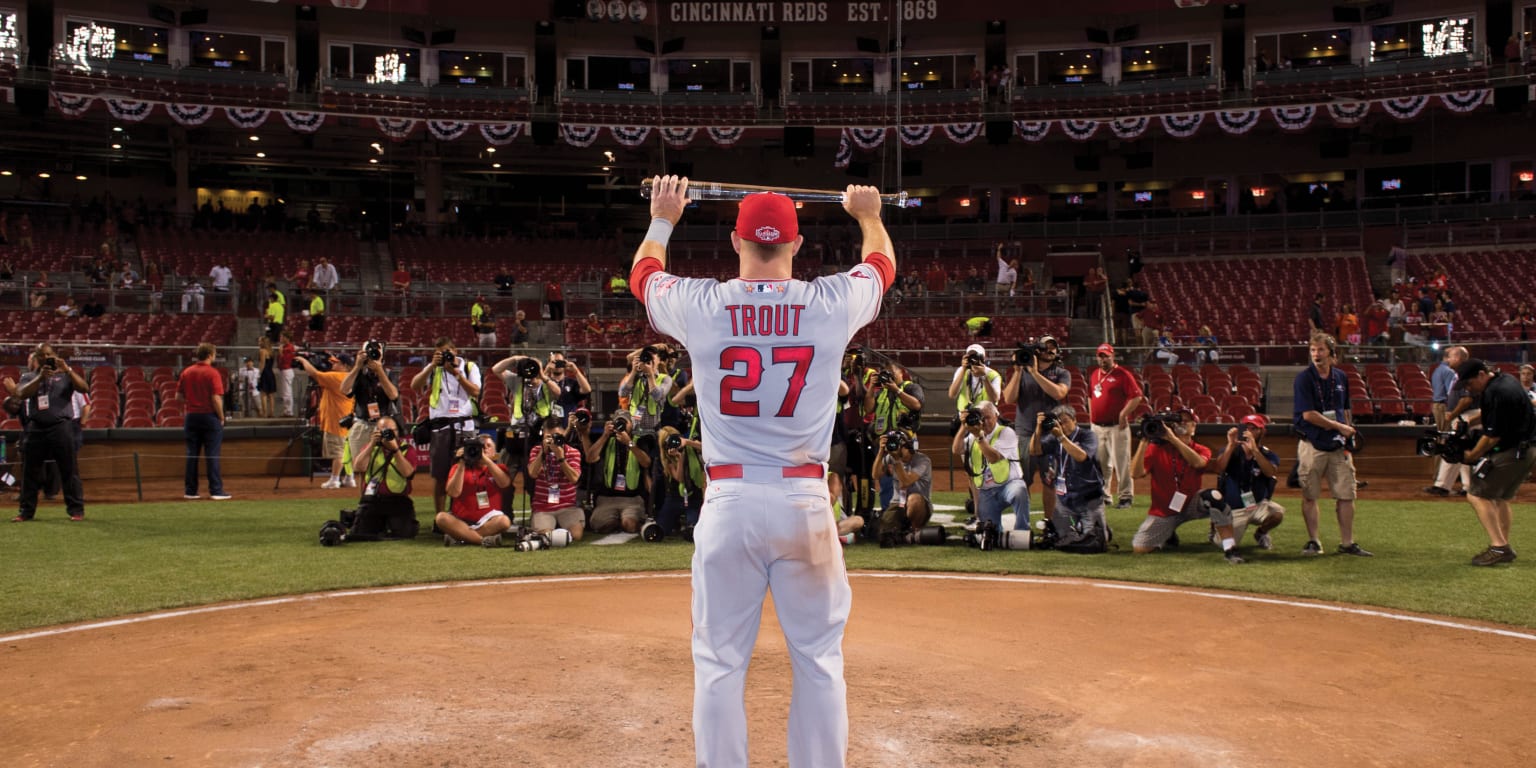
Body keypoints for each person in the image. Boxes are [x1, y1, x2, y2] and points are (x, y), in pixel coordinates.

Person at [631, 176, 893, 767]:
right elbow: (880, 264)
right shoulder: (828, 302)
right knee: (819, 661)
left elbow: (642, 277)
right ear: (796, 245)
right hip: (804, 498)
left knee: (720, 663)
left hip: (729, 499)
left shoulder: (704, 304)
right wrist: (867, 214)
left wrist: (664, 216)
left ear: (735, 241)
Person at [1129, 409, 1245, 564]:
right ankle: (1169, 534)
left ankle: (1230, 549)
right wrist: (1144, 441)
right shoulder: (1156, 448)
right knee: (1140, 548)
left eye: (1186, 421)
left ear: (1194, 427)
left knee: (1214, 497)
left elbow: (1198, 463)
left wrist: (1172, 438)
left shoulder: (1201, 449)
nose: (1182, 424)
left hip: (1191, 503)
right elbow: (1136, 474)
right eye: (1179, 421)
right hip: (1164, 509)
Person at [1452, 359, 1536, 566]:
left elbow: (1492, 438)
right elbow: (1496, 413)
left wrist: (1470, 456)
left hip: (1511, 451)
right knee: (1500, 498)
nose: (1469, 389)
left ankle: (1499, 546)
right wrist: (1470, 420)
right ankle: (1503, 544)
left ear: (1481, 374)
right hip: (1527, 450)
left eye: (1470, 384)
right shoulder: (1505, 380)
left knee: (1476, 494)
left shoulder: (1497, 392)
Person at [1294, 333, 1371, 557]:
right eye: (1313, 350)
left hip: (1338, 445)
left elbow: (1345, 409)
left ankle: (1347, 543)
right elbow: (1308, 415)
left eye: (1320, 350)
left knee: (1347, 494)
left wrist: (1348, 432)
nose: (1316, 354)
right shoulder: (1304, 379)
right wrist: (1340, 427)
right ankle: (1314, 541)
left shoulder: (1341, 377)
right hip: (1312, 444)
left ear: (1331, 352)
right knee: (1310, 495)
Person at [11, 345, 89, 521]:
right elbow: (22, 394)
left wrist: (68, 369)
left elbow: (84, 388)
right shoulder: (29, 376)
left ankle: (76, 510)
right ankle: (26, 512)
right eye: (42, 355)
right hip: (36, 427)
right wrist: (40, 377)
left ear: (55, 356)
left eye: (49, 354)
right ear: (37, 358)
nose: (46, 357)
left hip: (61, 426)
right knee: (30, 472)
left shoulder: (65, 375)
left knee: (69, 470)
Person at [1002, 334, 1071, 527]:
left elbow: (1059, 392)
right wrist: (1018, 371)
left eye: (1054, 347)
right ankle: (1022, 522)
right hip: (1024, 434)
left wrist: (1034, 373)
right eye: (1047, 347)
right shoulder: (1022, 372)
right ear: (1038, 350)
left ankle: (1050, 523)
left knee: (1050, 481)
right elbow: (1008, 398)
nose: (1051, 350)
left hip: (1051, 434)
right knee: (1023, 481)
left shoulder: (1061, 372)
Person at [410, 338, 482, 517]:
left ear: (455, 350)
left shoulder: (469, 367)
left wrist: (457, 374)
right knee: (440, 476)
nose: (444, 356)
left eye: (446, 352)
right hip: (441, 427)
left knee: (467, 472)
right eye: (440, 353)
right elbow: (414, 385)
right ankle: (440, 518)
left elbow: (475, 391)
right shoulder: (435, 369)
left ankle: (464, 514)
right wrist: (430, 366)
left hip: (464, 425)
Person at [1029, 405, 1107, 553]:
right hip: (1066, 501)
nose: (1062, 425)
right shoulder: (1054, 438)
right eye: (1058, 422)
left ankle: (1097, 526)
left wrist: (1061, 437)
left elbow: (1082, 457)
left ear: (1075, 420)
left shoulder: (1087, 436)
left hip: (1088, 499)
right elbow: (1034, 450)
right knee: (1063, 538)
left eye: (1065, 421)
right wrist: (1038, 428)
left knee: (1095, 540)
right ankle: (1078, 526)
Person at [1208, 413, 1285, 550]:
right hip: (1235, 508)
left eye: (1254, 428)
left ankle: (1261, 533)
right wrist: (1231, 445)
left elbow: (1270, 472)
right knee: (1222, 545)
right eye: (1246, 427)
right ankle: (1216, 526)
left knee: (1277, 513)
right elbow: (1219, 468)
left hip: (1257, 505)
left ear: (1262, 431)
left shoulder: (1267, 454)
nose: (1249, 431)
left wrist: (1255, 450)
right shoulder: (1231, 450)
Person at [952, 401, 1027, 534]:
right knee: (990, 533)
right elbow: (956, 450)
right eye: (982, 418)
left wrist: (979, 438)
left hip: (1008, 485)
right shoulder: (973, 435)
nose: (984, 422)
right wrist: (964, 427)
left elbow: (993, 458)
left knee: (1019, 491)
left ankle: (1022, 531)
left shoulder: (1006, 432)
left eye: (988, 417)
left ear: (996, 416)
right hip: (987, 491)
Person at [1088, 343, 1144, 510]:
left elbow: (1137, 396)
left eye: (1106, 356)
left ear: (1113, 356)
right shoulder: (1094, 374)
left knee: (1121, 463)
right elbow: (1090, 396)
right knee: (1101, 463)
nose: (1103, 359)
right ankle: (1104, 496)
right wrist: (1092, 416)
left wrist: (1123, 414)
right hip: (1097, 427)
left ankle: (1125, 496)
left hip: (1116, 427)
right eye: (1100, 356)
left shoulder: (1123, 374)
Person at [293, 351, 358, 490]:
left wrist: (304, 361)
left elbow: (315, 374)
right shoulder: (350, 377)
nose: (332, 363)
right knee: (346, 451)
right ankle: (349, 477)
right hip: (346, 419)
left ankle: (334, 479)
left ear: (345, 366)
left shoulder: (337, 377)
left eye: (336, 362)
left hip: (336, 420)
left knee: (338, 452)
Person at [437, 432, 515, 547]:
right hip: (461, 520)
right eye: (481, 447)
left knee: (504, 521)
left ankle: (461, 537)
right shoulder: (458, 468)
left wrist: (486, 460)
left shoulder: (499, 468)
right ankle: (482, 540)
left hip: (489, 521)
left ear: (494, 453)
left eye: (488, 446)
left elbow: (504, 483)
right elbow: (453, 492)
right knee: (441, 518)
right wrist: (461, 463)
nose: (484, 449)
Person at [582, 410, 652, 534]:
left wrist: (629, 443)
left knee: (629, 525)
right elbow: (590, 458)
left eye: (625, 422)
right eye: (618, 422)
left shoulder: (639, 440)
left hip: (632, 498)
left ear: (631, 424)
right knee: (601, 524)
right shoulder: (607, 439)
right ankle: (615, 521)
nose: (622, 426)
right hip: (607, 498)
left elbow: (646, 462)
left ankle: (624, 521)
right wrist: (604, 436)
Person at [340, 342, 401, 478]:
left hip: (383, 426)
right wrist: (357, 366)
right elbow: (344, 389)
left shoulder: (389, 373)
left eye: (377, 352)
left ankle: (381, 496)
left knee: (384, 467)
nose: (373, 355)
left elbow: (393, 395)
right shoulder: (359, 374)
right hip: (362, 424)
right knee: (362, 468)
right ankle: (365, 498)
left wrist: (380, 371)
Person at [178, 342, 231, 501]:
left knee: (192, 454)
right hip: (209, 416)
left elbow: (178, 397)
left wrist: (192, 400)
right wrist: (221, 416)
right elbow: (216, 398)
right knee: (212, 454)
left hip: (191, 416)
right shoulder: (213, 373)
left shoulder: (186, 372)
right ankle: (216, 490)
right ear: (210, 355)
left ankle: (190, 490)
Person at [871, 428, 933, 547]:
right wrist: (880, 451)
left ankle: (915, 530)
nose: (894, 446)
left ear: (906, 445)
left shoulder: (923, 460)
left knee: (914, 499)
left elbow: (906, 482)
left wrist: (897, 461)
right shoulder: (890, 457)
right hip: (898, 503)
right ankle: (901, 534)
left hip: (921, 505)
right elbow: (875, 475)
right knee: (882, 530)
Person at [1426, 345, 1473, 497]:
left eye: (1451, 356)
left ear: (1458, 358)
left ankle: (1456, 486)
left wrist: (1453, 414)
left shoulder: (1466, 374)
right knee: (1455, 450)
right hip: (1460, 416)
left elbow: (1466, 399)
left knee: (1458, 449)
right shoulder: (1458, 373)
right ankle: (1446, 485)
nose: (1448, 359)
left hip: (1466, 416)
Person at [528, 415, 585, 540]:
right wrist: (543, 452)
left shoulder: (573, 452)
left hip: (567, 506)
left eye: (557, 436)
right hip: (543, 507)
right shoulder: (536, 450)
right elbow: (532, 473)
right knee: (546, 537)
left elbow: (574, 478)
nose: (553, 440)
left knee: (576, 535)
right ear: (543, 436)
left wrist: (561, 458)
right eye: (549, 437)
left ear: (563, 434)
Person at [618, 345, 673, 433]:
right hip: (634, 429)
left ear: (659, 360)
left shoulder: (665, 379)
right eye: (647, 357)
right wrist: (633, 372)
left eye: (652, 358)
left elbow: (657, 396)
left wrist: (650, 375)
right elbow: (622, 393)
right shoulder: (635, 377)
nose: (649, 361)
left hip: (654, 430)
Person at [948, 343, 1002, 431]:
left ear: (983, 358)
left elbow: (995, 399)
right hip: (965, 418)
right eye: (970, 356)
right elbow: (952, 395)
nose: (973, 359)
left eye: (976, 356)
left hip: (985, 420)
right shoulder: (961, 371)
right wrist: (963, 369)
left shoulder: (993, 375)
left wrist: (984, 376)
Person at [277, 332, 297, 417]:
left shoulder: (289, 348)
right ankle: (287, 411)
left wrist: (281, 352)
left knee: (287, 392)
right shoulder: (284, 347)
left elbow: (285, 360)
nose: (280, 338)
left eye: (282, 337)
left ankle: (289, 411)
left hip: (287, 370)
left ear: (286, 338)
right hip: (283, 370)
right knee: (285, 391)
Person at [256, 337, 276, 418]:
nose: (258, 342)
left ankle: (264, 413)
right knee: (271, 394)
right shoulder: (271, 351)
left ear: (263, 342)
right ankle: (271, 412)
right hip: (271, 372)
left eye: (259, 341)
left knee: (263, 394)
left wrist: (259, 374)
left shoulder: (262, 351)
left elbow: (262, 364)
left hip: (265, 373)